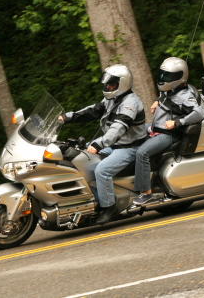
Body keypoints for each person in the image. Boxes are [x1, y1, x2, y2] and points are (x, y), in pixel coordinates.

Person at [61, 64, 146, 224]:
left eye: (111, 84)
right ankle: (98, 200)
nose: (107, 87)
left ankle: (109, 208)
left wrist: (99, 144)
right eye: (106, 83)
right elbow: (93, 110)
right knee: (81, 160)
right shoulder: (113, 99)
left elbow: (118, 129)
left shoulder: (130, 104)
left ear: (123, 83)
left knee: (102, 170)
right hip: (114, 145)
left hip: (129, 147)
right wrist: (68, 117)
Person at [132, 57, 204, 205]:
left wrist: (178, 122)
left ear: (180, 76)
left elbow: (199, 113)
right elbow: (166, 97)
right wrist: (157, 100)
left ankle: (146, 193)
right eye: (163, 75)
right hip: (156, 128)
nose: (164, 78)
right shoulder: (171, 89)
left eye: (169, 76)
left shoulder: (184, 95)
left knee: (142, 153)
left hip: (168, 134)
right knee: (131, 130)